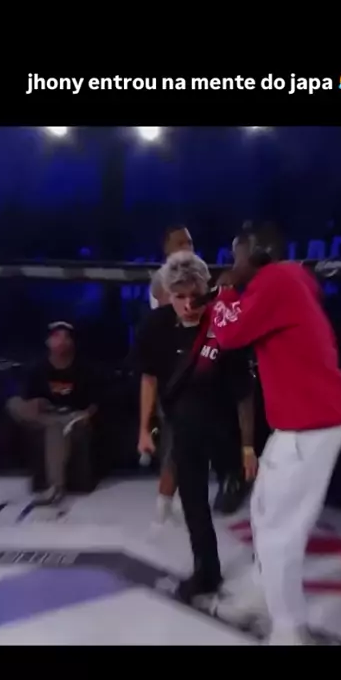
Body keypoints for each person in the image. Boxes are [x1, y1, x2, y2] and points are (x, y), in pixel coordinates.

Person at [209, 225, 341, 644]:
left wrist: (225, 292)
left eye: (236, 254)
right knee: (263, 512)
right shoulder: (287, 281)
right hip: (301, 422)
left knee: (279, 533)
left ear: (256, 252)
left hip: (310, 425)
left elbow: (229, 333)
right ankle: (263, 593)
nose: (231, 264)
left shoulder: (277, 279)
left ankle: (290, 629)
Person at [135, 251, 257, 604]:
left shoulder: (224, 324)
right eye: (179, 296)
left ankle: (268, 568)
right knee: (193, 503)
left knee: (253, 501)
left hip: (225, 427)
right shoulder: (156, 325)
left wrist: (248, 447)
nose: (189, 305)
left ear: (207, 290)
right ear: (167, 295)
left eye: (195, 296)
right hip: (184, 426)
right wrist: (144, 429)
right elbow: (149, 379)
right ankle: (207, 570)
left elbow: (244, 393)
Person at [7, 322, 100, 505]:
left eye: (66, 337)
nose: (61, 341)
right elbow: (26, 398)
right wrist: (34, 403)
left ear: (72, 342)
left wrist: (87, 414)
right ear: (48, 342)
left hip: (71, 417)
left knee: (56, 427)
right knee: (13, 403)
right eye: (57, 336)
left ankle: (56, 487)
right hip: (45, 414)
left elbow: (97, 401)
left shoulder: (84, 368)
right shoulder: (38, 368)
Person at [147, 225, 194, 526]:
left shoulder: (193, 275)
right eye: (180, 242)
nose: (186, 247)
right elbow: (177, 310)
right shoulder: (163, 278)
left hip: (193, 362)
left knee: (188, 434)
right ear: (167, 248)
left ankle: (176, 495)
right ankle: (165, 499)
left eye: (189, 242)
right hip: (170, 367)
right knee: (177, 432)